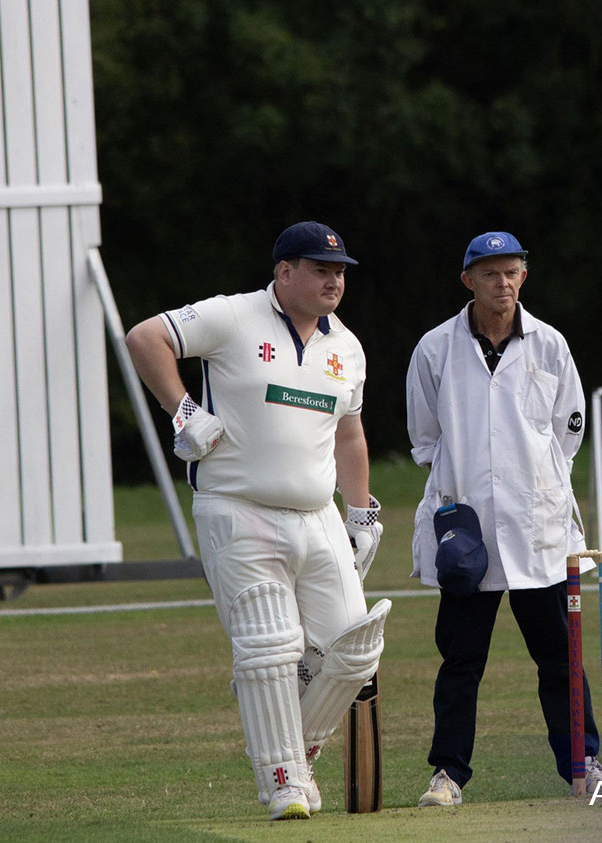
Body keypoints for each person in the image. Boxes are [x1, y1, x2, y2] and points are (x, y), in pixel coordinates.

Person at [125, 221, 390, 820]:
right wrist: (183, 410)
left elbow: (348, 431)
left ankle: (289, 745)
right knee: (272, 649)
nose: (334, 281)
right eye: (320, 270)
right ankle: (284, 784)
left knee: (354, 650)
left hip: (318, 514)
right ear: (284, 272)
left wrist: (362, 509)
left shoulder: (346, 346)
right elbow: (145, 338)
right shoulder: (234, 316)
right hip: (236, 507)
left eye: (340, 272)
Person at [405, 231, 602, 806]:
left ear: (524, 276)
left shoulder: (549, 345)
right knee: (461, 659)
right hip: (465, 530)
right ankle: (447, 774)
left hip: (539, 528)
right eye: (490, 273)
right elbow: (425, 439)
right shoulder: (434, 348)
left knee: (561, 658)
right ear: (468, 280)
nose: (502, 283)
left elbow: (569, 430)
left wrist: (530, 481)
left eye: (512, 271)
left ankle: (581, 764)